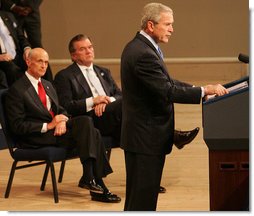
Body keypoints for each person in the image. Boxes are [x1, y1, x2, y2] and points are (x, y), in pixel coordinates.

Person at [53, 34, 200, 193]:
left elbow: (119, 94)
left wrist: (107, 100)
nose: (89, 51)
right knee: (134, 105)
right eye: (83, 49)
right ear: (74, 56)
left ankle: (145, 183)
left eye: (90, 47)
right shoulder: (65, 76)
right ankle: (172, 136)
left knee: (141, 134)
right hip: (89, 122)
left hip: (113, 117)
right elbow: (66, 106)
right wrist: (93, 101)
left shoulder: (103, 71)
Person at [120, 2, 229, 211]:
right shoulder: (142, 53)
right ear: (151, 25)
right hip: (145, 139)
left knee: (141, 200)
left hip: (144, 137)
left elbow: (166, 82)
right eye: (168, 24)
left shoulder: (143, 47)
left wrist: (201, 88)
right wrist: (204, 92)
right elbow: (168, 91)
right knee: (142, 202)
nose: (172, 29)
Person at [4, 47, 121, 203]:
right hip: (36, 137)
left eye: (46, 62)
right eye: (40, 61)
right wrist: (49, 125)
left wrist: (62, 120)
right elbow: (17, 126)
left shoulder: (47, 84)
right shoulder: (17, 90)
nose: (44, 65)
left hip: (56, 132)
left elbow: (62, 110)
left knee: (86, 123)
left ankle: (90, 179)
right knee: (93, 133)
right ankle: (96, 183)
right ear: (28, 62)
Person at [1, 0, 53, 82]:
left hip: (32, 11)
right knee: (12, 68)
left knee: (38, 53)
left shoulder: (7, 16)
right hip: (11, 9)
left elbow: (21, 37)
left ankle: (48, 88)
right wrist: (13, 7)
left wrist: (27, 48)